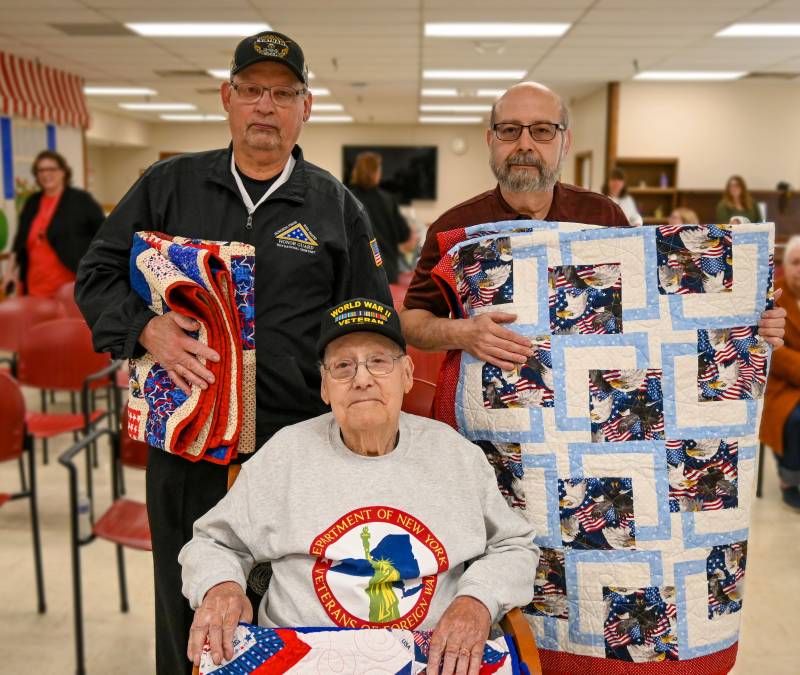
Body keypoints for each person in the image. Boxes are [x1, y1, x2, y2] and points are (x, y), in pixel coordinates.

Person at [75, 30, 391, 675]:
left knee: (291, 614)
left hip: (297, 451)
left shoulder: (335, 206)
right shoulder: (168, 185)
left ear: (307, 106)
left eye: (282, 93)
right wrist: (146, 328)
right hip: (186, 446)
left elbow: (371, 325)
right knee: (186, 613)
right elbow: (96, 276)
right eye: (251, 91)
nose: (265, 107)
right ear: (227, 98)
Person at [180, 297, 538, 673]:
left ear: (407, 374)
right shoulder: (285, 453)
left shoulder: (453, 453)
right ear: (324, 386)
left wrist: (476, 602)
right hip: (302, 657)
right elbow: (213, 542)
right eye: (343, 366)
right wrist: (221, 586)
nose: (362, 378)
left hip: (430, 657)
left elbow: (513, 546)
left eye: (380, 361)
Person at [400, 82, 786, 368]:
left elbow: (659, 309)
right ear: (491, 140)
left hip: (593, 415)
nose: (524, 144)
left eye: (542, 130)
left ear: (564, 143)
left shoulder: (603, 217)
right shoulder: (454, 229)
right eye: (509, 130)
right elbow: (412, 321)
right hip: (489, 419)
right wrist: (461, 332)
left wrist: (748, 321)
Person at [4, 150, 104, 297]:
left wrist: (99, 272)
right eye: (41, 170)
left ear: (63, 172)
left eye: (51, 169)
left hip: (70, 290)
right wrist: (9, 272)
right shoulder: (32, 202)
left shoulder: (81, 200)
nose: (45, 174)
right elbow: (19, 241)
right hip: (33, 288)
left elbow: (103, 235)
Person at [760, 235, 800, 510]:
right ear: (786, 267)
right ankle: (789, 480)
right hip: (783, 382)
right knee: (796, 419)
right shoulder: (776, 294)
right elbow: (773, 348)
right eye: (796, 263)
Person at [349, 151, 417, 283]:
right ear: (374, 172)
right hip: (386, 273)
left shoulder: (347, 198)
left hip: (356, 273)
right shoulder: (388, 200)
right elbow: (404, 235)